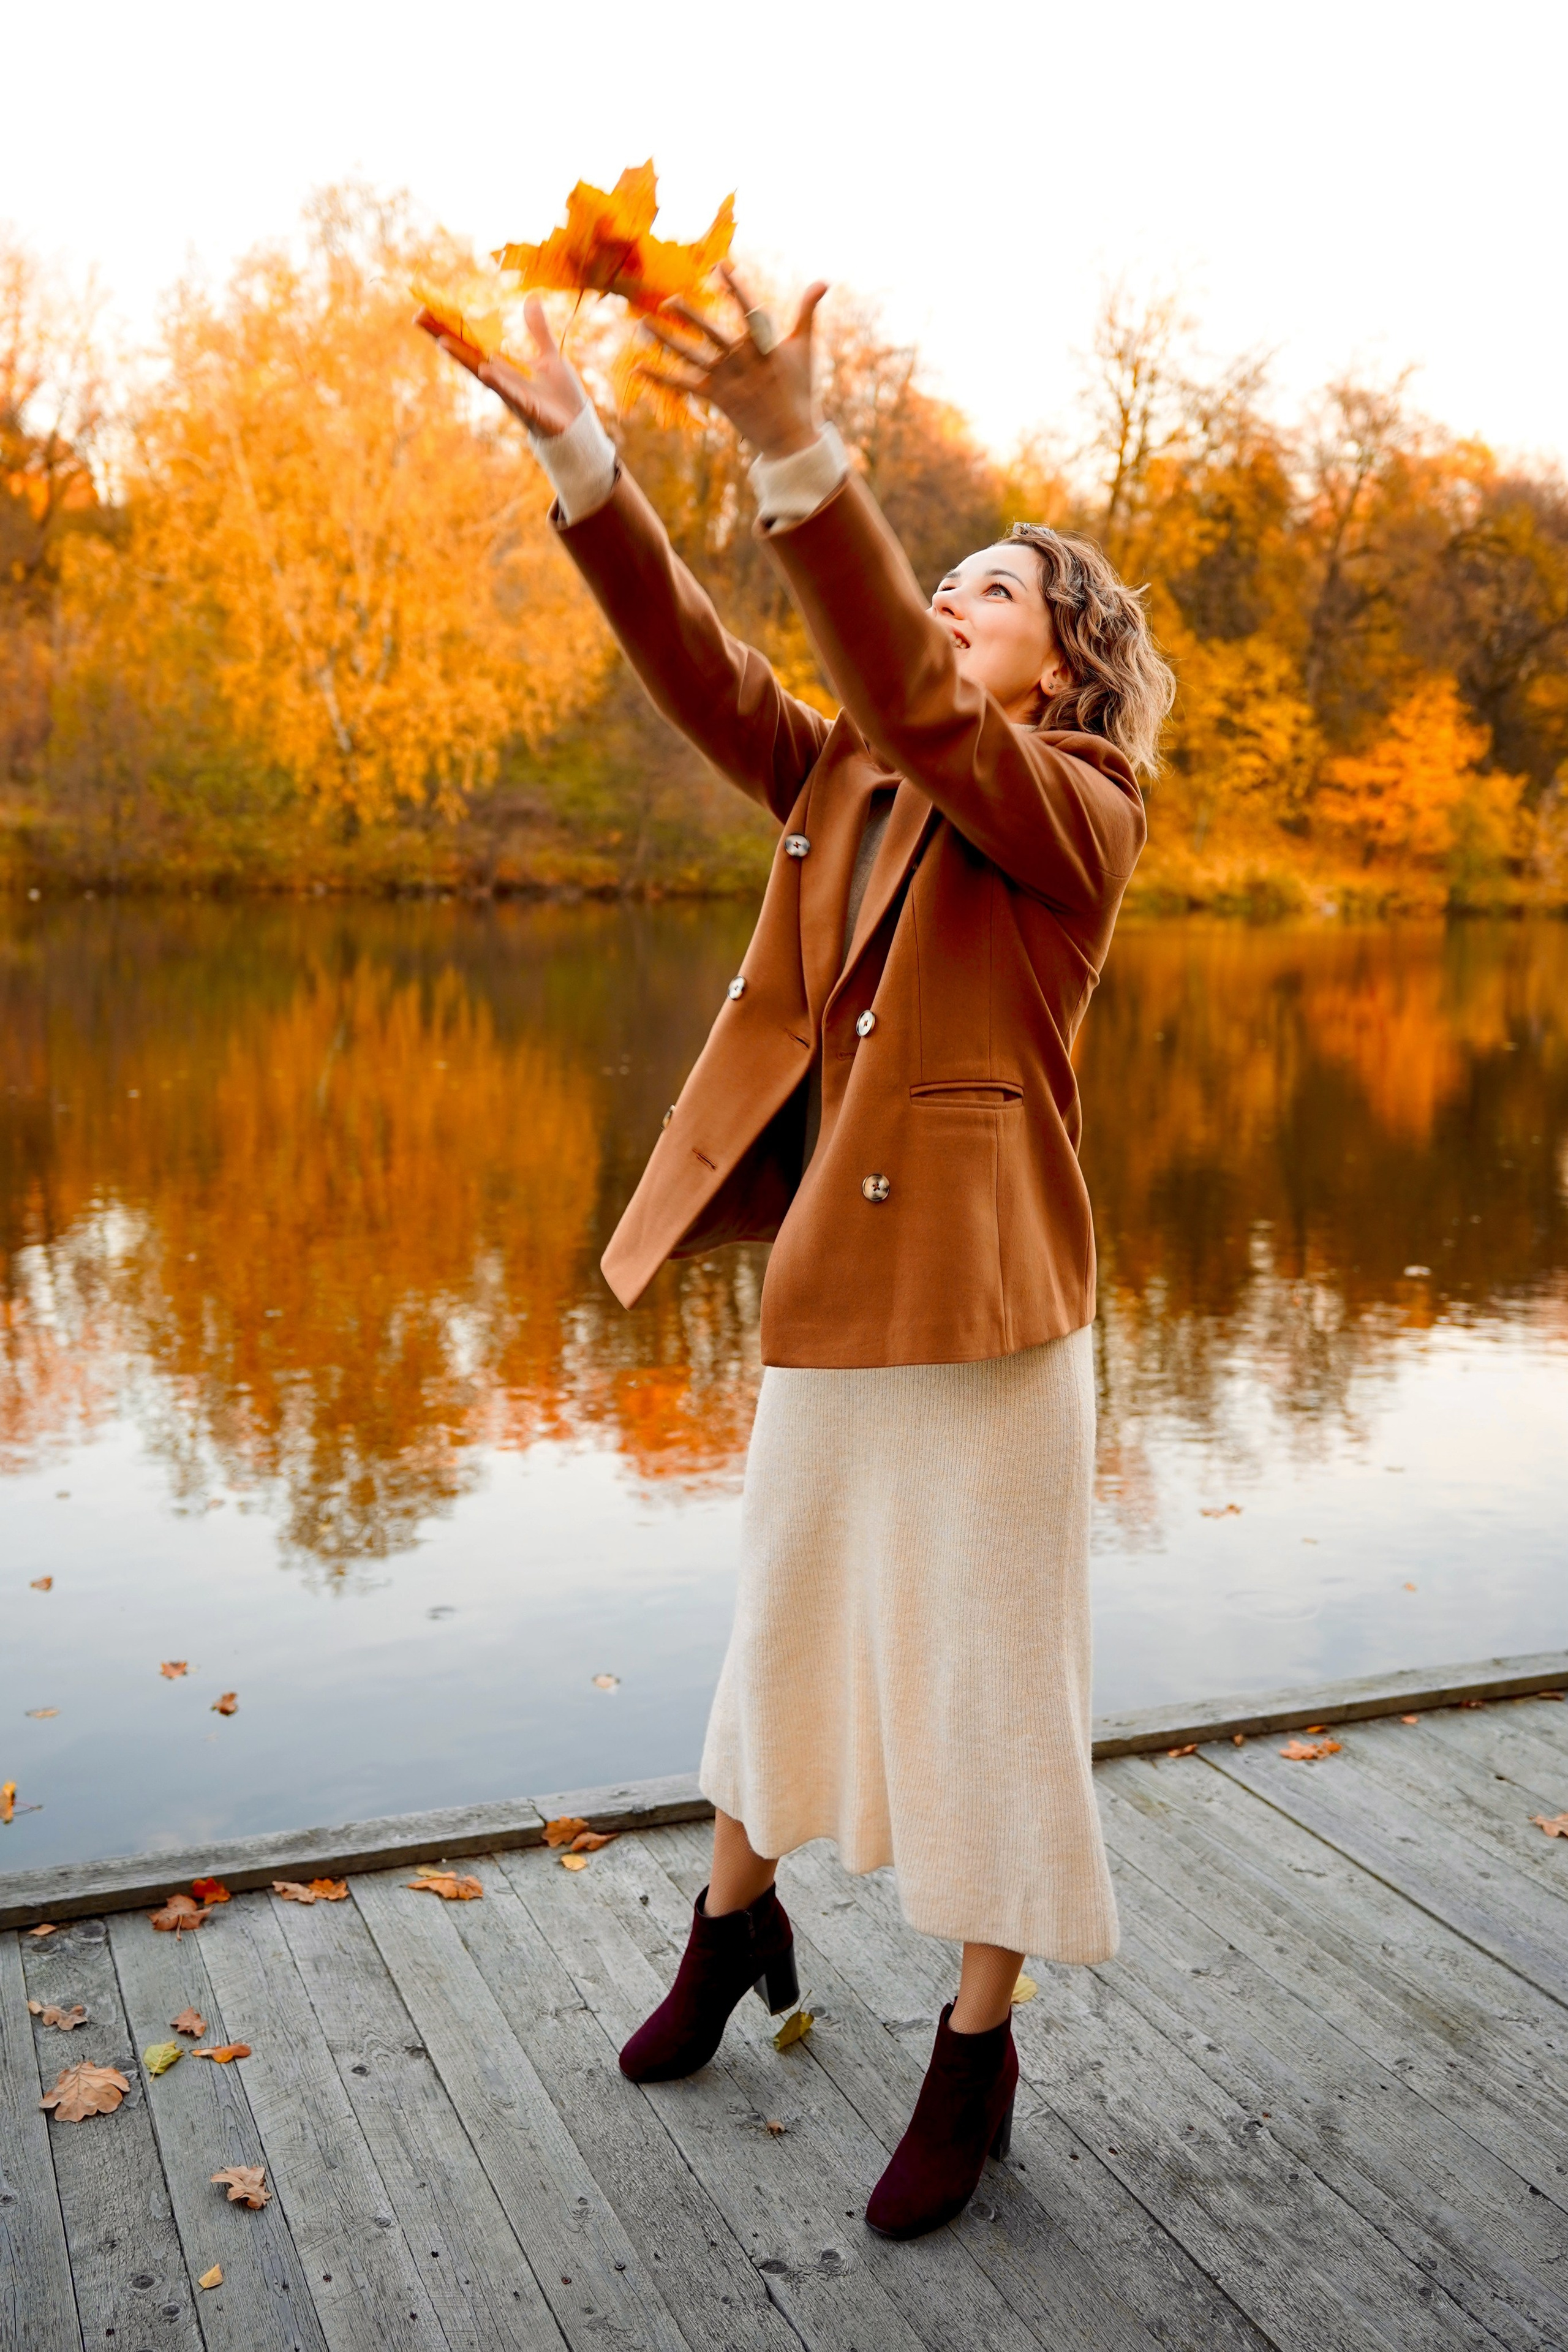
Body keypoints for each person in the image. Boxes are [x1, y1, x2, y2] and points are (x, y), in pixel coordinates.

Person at [434, 269, 1174, 2241]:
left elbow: (926, 711)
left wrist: (795, 436)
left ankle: (975, 2049)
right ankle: (732, 1931)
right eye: (950, 586)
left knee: (994, 1691)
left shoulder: (1079, 809)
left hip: (1000, 1323)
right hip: (839, 1304)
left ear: (1068, 664)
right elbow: (697, 662)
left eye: (994, 592)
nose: (952, 606)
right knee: (777, 1636)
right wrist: (581, 452)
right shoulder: (846, 775)